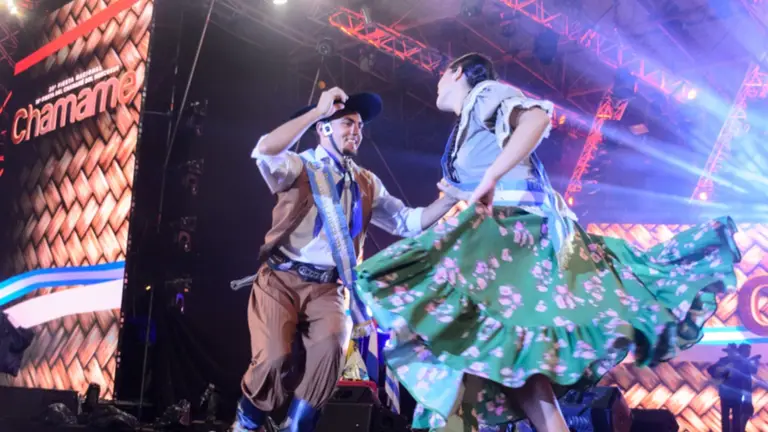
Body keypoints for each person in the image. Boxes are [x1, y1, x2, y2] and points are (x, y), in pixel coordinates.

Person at [354, 53, 742, 431]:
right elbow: (419, 218)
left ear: (458, 72)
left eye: (442, 74)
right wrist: (456, 193)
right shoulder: (465, 128)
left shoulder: (485, 93)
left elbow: (537, 118)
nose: (436, 83)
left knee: (465, 335)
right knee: (512, 358)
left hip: (516, 233)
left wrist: (490, 177)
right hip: (504, 234)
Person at [232, 88, 458, 432]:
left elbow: (408, 222)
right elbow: (264, 150)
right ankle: (246, 424)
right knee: (274, 358)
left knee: (331, 352)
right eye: (348, 123)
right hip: (281, 280)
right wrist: (315, 112)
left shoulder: (366, 182)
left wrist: (451, 199)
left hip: (329, 289)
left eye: (360, 126)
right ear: (324, 128)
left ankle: (297, 427)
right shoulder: (299, 166)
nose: (357, 131)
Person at [708, 343, 759, 432]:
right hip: (725, 394)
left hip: (736, 394)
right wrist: (721, 372)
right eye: (729, 352)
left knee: (736, 417)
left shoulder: (740, 362)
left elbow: (751, 371)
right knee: (725, 417)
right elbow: (710, 370)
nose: (731, 353)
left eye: (732, 352)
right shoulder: (723, 361)